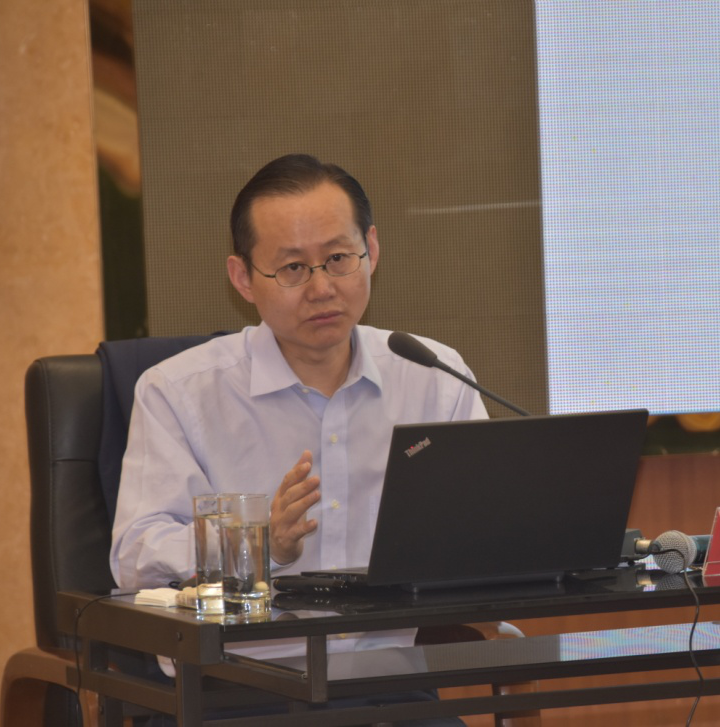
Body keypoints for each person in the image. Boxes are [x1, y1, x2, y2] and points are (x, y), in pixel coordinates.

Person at [109, 153, 486, 722]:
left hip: (389, 691)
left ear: (371, 250)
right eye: (291, 268)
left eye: (338, 258)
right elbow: (135, 554)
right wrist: (254, 545)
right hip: (232, 694)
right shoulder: (177, 392)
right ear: (242, 278)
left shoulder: (434, 377)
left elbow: (482, 532)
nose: (322, 287)